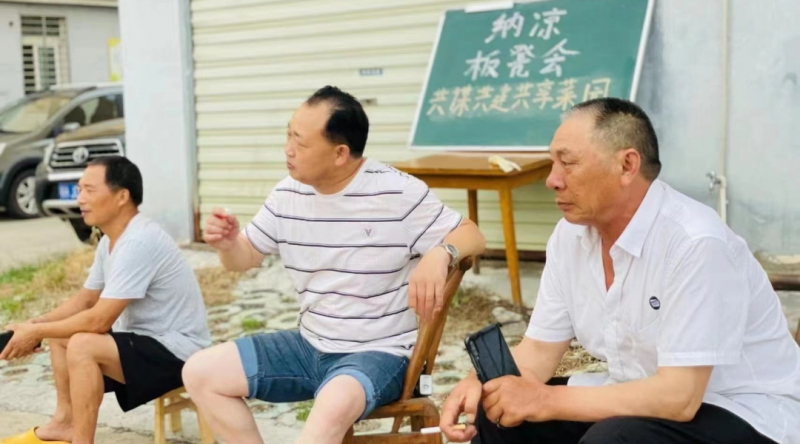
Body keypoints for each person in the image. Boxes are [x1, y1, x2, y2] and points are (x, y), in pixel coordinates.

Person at [440, 97, 800, 444]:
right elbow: (539, 351)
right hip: (635, 395)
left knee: (613, 438)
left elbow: (680, 397)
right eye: (553, 163)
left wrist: (545, 400)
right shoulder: (570, 236)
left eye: (568, 163)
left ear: (627, 165)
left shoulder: (695, 242)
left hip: (741, 409)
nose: (553, 179)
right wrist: (482, 384)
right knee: (500, 415)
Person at [181, 85, 486, 444]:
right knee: (200, 372)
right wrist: (229, 243)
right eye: (288, 135)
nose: (288, 149)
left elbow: (472, 234)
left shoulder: (396, 192)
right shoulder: (287, 194)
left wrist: (441, 253)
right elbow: (243, 258)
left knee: (332, 403)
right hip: (308, 345)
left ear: (340, 153)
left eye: (301, 143)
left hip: (380, 354)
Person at [0, 157, 211, 444]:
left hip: (179, 352)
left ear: (122, 196)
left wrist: (36, 332)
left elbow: (99, 320)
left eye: (89, 190)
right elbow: (86, 300)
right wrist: (33, 325)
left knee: (82, 344)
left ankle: (82, 440)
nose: (80, 199)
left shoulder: (138, 241)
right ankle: (64, 423)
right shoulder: (110, 241)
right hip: (145, 341)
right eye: (79, 190)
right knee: (62, 336)